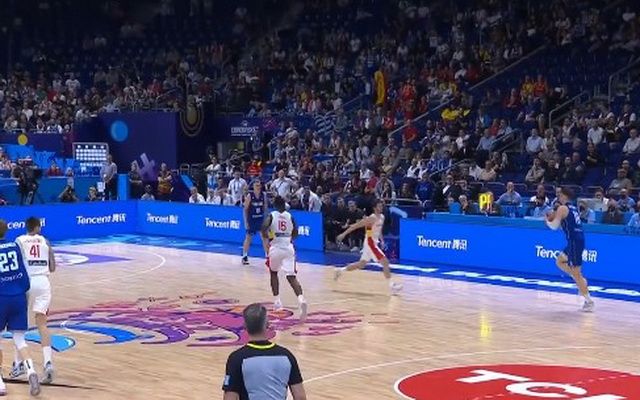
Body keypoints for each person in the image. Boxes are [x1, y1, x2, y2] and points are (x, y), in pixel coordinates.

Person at [222, 303, 306, 400]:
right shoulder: (286, 356)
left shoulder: (236, 358)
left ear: (245, 325)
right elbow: (300, 397)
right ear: (267, 324)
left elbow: (230, 398)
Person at [13, 217, 56, 384]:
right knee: (42, 324)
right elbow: (52, 267)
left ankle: (18, 364)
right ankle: (48, 363)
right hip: (43, 283)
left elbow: (16, 264)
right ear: (38, 227)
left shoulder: (19, 240)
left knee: (19, 325)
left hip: (26, 282)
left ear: (26, 227)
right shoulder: (46, 241)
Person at [0, 219, 41, 396]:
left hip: (1, 297)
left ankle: (0, 383)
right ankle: (31, 371)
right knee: (20, 339)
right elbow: (24, 273)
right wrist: (22, 290)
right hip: (18, 296)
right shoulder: (15, 246)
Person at [334, 199, 402, 295]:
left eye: (381, 206)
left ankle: (340, 270)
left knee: (361, 264)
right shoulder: (371, 218)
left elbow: (379, 230)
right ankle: (392, 286)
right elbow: (356, 226)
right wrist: (343, 234)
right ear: (374, 208)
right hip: (370, 243)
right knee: (385, 262)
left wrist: (382, 241)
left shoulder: (382, 217)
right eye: (379, 206)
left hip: (373, 242)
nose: (381, 207)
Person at [545, 187, 594, 312]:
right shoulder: (573, 207)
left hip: (574, 241)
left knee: (576, 273)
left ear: (565, 196)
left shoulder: (562, 208)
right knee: (559, 261)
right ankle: (580, 280)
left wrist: (547, 221)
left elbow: (554, 226)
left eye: (560, 194)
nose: (558, 196)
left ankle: (589, 301)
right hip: (576, 240)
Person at [261, 196, 307, 320]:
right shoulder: (290, 216)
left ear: (275, 205)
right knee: (292, 277)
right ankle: (301, 299)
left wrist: (269, 236)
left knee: (273, 273)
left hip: (276, 247)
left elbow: (263, 228)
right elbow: (296, 232)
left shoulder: (272, 215)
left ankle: (277, 302)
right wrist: (288, 237)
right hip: (288, 247)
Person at [242, 181, 269, 266]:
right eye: (256, 185)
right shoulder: (250, 196)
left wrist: (266, 220)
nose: (258, 187)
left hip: (260, 219)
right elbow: (245, 209)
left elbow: (265, 209)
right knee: (248, 238)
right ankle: (244, 256)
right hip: (252, 219)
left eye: (259, 185)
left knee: (265, 238)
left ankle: (268, 256)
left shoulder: (263, 195)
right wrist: (246, 222)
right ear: (253, 187)